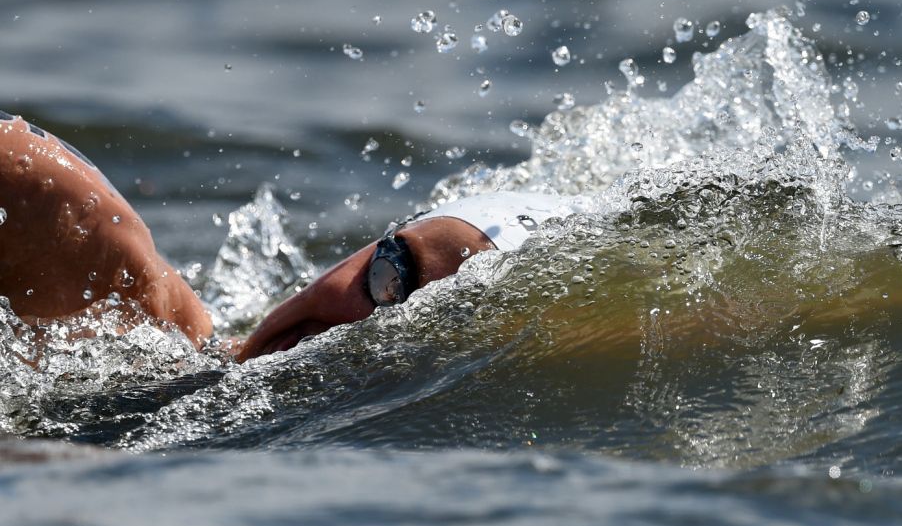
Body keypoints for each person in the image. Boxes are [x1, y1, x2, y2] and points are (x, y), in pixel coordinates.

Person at [0, 112, 578, 362]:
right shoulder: (85, 250)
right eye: (393, 276)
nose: (364, 327)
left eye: (434, 335)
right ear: (373, 245)